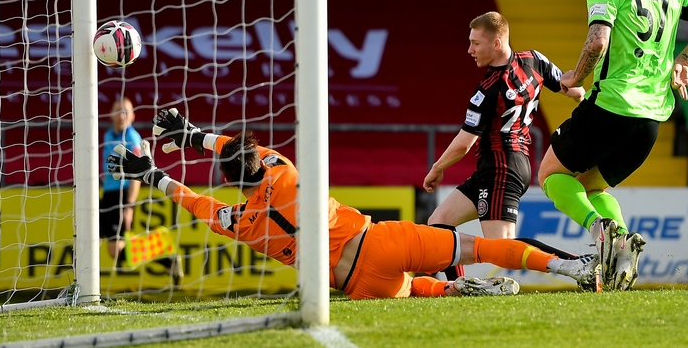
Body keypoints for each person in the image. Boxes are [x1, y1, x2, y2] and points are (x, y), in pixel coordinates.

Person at [105, 108, 602, 300]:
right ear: (258, 159)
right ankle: (573, 267)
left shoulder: (242, 222)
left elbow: (193, 203)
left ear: (231, 184)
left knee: (412, 290)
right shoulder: (284, 170)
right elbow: (241, 150)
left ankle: (451, 295)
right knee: (478, 250)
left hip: (356, 288)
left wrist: (152, 175)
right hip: (378, 243)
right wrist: (192, 134)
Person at [537, 0, 688, 292]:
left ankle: (601, 233)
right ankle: (621, 241)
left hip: (611, 106)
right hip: (653, 117)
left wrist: (575, 76)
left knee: (549, 175)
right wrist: (682, 62)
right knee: (594, 189)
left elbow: (596, 42)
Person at [422, 12, 584, 279]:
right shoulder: (535, 60)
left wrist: (437, 169)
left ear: (496, 43)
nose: (469, 50)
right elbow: (574, 90)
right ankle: (459, 286)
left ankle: (579, 265)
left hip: (501, 166)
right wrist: (582, 100)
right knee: (439, 224)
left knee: (502, 248)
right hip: (506, 163)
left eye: (476, 43)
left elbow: (464, 143)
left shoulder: (487, 90)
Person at [100, 97, 183, 285]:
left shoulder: (132, 139)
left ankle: (166, 255)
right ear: (111, 114)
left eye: (125, 112)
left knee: (117, 252)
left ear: (132, 116)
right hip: (106, 195)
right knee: (97, 240)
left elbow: (138, 177)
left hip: (121, 197)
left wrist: (128, 207)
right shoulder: (107, 136)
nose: (121, 115)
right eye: (118, 111)